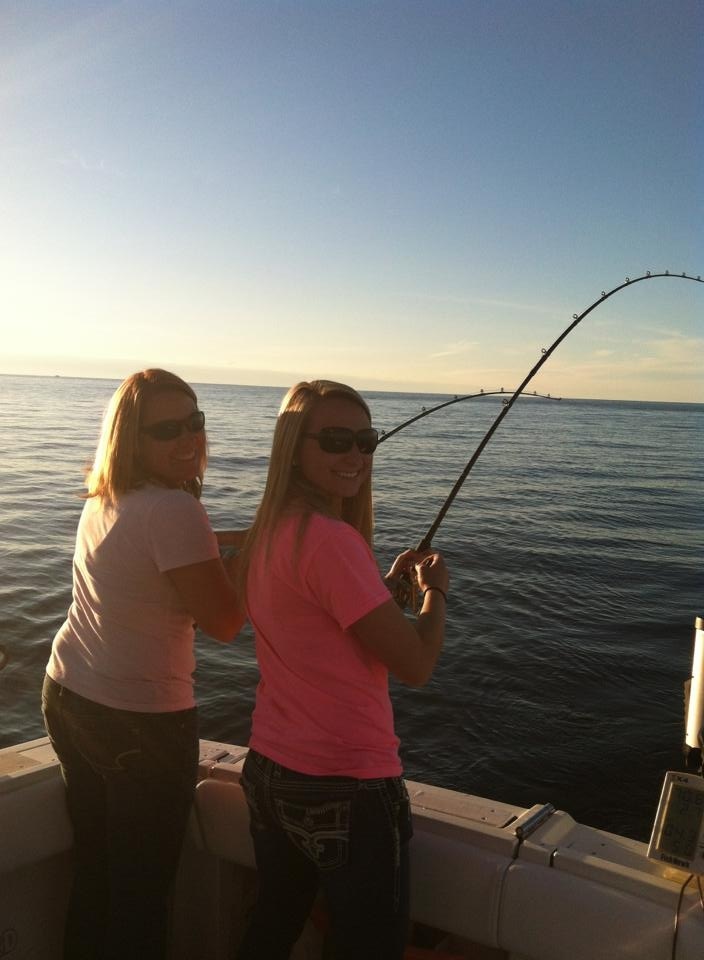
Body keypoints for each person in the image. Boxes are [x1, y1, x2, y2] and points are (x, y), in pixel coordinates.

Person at [235, 379, 450, 960]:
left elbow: (319, 625)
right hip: (347, 786)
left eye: (365, 440)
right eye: (334, 440)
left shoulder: (270, 531)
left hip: (271, 771)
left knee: (271, 928)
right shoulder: (332, 541)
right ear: (293, 447)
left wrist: (384, 589)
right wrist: (434, 593)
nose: (354, 453)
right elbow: (416, 664)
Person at [41, 368, 245, 960]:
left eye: (194, 421)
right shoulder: (175, 510)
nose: (188, 438)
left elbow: (172, 546)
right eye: (166, 430)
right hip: (140, 724)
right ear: (132, 438)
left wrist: (259, 534)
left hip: (69, 695)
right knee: (141, 898)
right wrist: (265, 562)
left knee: (97, 874)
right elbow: (225, 622)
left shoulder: (107, 494)